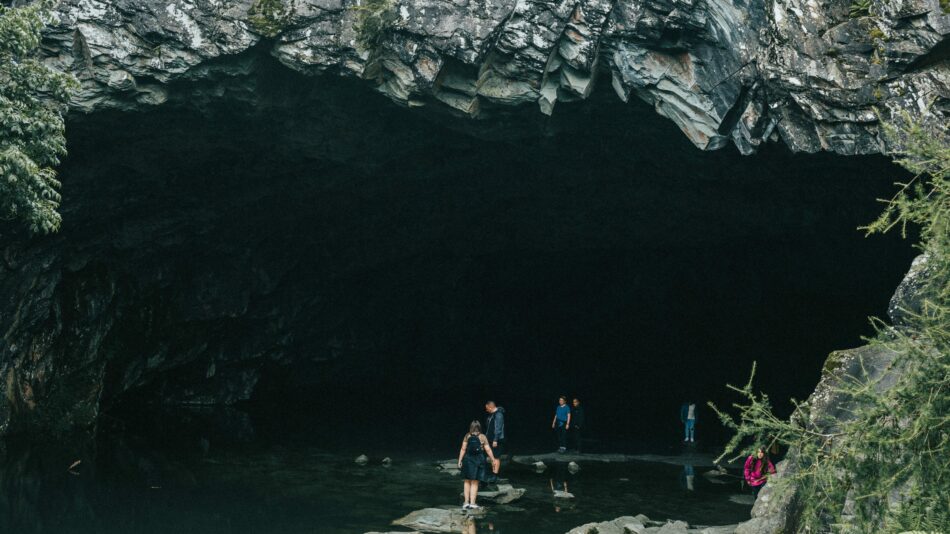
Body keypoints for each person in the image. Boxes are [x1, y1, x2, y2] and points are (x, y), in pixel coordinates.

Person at [457, 420, 497, 510]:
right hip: (479, 460)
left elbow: (463, 449)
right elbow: (488, 450)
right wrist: (493, 459)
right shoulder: (482, 437)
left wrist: (459, 460)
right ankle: (472, 503)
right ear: (480, 427)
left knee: (467, 481)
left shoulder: (467, 436)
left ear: (471, 427)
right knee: (475, 482)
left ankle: (466, 502)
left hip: (468, 459)